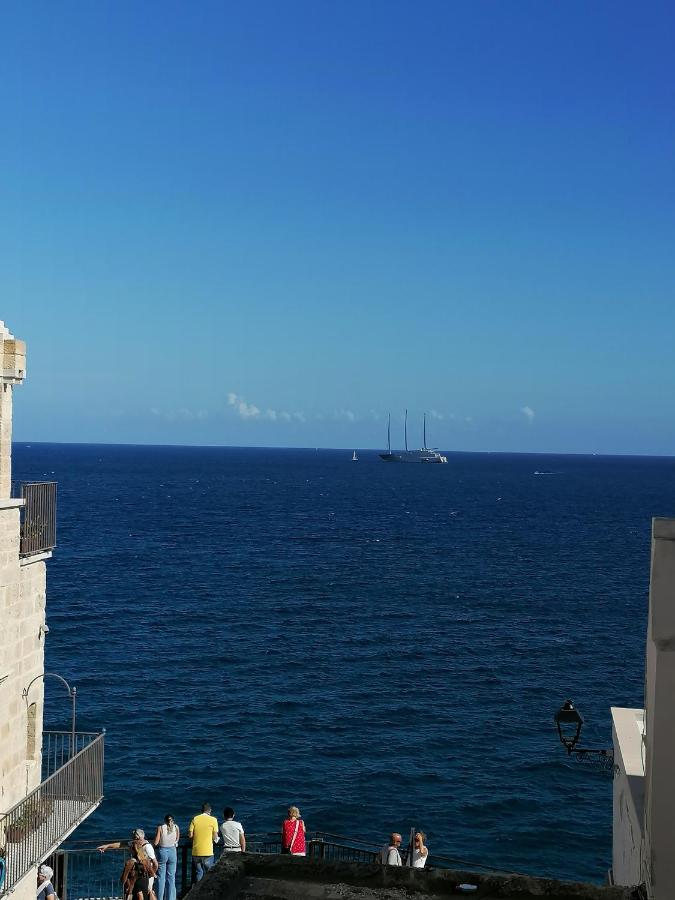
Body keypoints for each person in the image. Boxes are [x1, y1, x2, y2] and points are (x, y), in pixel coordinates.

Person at [98, 829, 158, 900]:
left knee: (145, 892)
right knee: (146, 893)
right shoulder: (135, 844)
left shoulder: (146, 847)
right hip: (145, 874)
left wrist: (151, 874)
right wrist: (107, 846)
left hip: (145, 874)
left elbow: (155, 863)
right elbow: (121, 844)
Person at [188, 803, 219, 881]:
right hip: (208, 851)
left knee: (199, 872)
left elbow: (190, 835)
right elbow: (215, 836)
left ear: (202, 810)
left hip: (196, 851)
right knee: (209, 873)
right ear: (210, 810)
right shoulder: (213, 820)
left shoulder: (195, 819)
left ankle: (198, 890)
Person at [154, 815, 180, 900]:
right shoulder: (176, 827)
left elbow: (156, 842)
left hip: (163, 851)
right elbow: (177, 839)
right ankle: (171, 898)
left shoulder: (161, 828)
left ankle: (159, 898)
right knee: (171, 877)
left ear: (164, 820)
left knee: (161, 877)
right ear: (173, 820)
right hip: (172, 851)